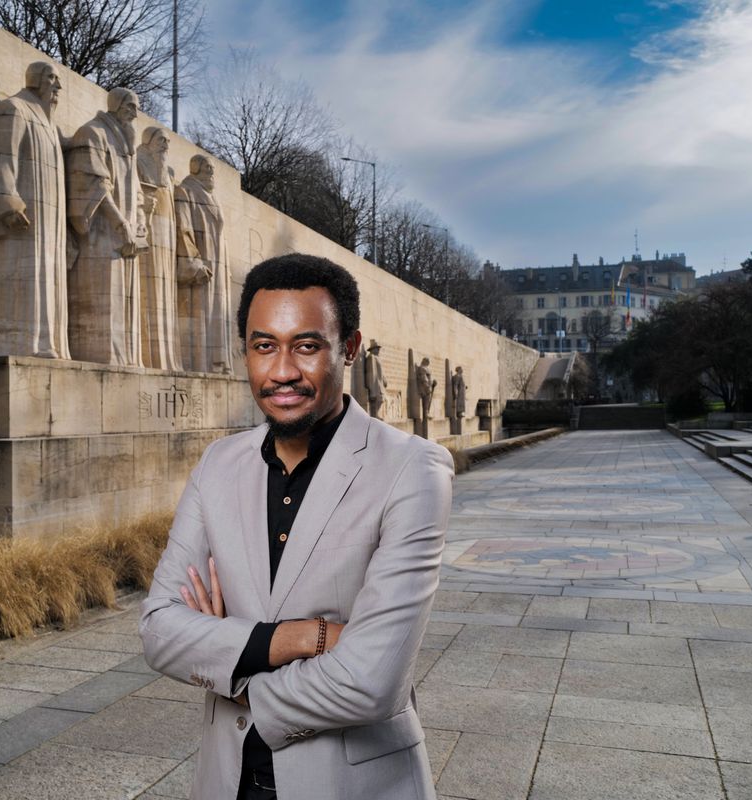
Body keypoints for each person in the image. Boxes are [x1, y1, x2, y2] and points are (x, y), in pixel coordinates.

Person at [140, 254, 453, 800]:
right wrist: (299, 638)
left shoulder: (413, 469)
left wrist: (230, 660)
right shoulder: (218, 464)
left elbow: (372, 683)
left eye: (306, 346)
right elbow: (160, 631)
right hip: (227, 780)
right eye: (264, 346)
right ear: (246, 352)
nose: (282, 370)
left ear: (349, 348)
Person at [0, 62, 69, 358]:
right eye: (52, 78)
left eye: (58, 80)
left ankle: (46, 344)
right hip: (19, 222)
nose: (58, 87)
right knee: (19, 284)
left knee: (47, 282)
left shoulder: (50, 126)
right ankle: (18, 345)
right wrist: (7, 203)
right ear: (36, 80)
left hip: (50, 224)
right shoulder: (13, 109)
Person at [66, 87, 146, 365]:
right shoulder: (93, 133)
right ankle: (105, 359)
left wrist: (140, 221)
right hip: (100, 235)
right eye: (130, 105)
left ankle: (124, 359)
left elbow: (136, 192)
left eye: (137, 107)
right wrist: (119, 221)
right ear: (115, 105)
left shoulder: (127, 144)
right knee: (103, 302)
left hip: (126, 237)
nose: (135, 112)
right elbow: (94, 184)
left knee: (125, 303)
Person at [175, 155, 232, 373]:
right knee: (201, 314)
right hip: (202, 267)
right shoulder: (185, 192)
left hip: (217, 265)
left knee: (217, 314)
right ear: (195, 168)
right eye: (207, 167)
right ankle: (202, 363)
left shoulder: (212, 197)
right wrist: (194, 262)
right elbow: (183, 230)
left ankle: (218, 362)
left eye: (212, 168)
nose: (211, 172)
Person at [136, 126, 182, 370]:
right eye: (160, 140)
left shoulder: (168, 173)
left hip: (167, 240)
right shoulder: (139, 162)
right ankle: (151, 355)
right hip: (150, 234)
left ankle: (167, 356)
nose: (165, 144)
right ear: (148, 141)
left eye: (167, 140)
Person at [363, 339, 388, 419]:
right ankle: (375, 415)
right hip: (376, 385)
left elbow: (381, 371)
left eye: (379, 349)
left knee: (381, 399)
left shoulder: (377, 358)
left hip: (380, 384)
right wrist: (372, 390)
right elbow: (371, 373)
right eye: (377, 348)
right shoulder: (371, 357)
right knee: (377, 400)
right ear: (373, 349)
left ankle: (376, 414)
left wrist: (384, 379)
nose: (378, 350)